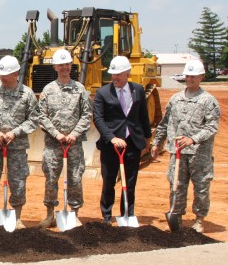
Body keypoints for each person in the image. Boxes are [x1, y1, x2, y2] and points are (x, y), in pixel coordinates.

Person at [151, 60, 220, 233]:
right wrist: (157, 142)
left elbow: (211, 127)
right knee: (176, 186)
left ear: (201, 77)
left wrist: (193, 139)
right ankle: (177, 217)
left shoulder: (208, 101)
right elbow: (165, 123)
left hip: (199, 154)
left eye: (193, 76)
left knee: (201, 187)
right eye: (187, 76)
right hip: (178, 153)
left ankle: (199, 219)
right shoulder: (176, 99)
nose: (189, 79)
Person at [0, 56, 40, 229]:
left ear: (16, 74)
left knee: (18, 181)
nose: (2, 78)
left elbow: (34, 119)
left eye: (6, 75)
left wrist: (15, 132)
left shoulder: (26, 94)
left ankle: (17, 218)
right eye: (0, 75)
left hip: (17, 147)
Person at [93, 55, 152, 224]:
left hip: (132, 142)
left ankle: (127, 214)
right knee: (109, 180)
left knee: (130, 182)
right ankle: (106, 215)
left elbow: (143, 115)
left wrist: (147, 137)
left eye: (119, 74)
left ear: (128, 73)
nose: (115, 77)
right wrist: (111, 138)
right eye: (113, 74)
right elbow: (98, 119)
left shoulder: (138, 90)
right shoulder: (102, 93)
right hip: (110, 145)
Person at [37, 49, 92, 228]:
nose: (64, 68)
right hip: (53, 145)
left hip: (73, 145)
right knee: (51, 179)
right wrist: (57, 134)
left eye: (67, 64)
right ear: (55, 67)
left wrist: (73, 134)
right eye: (60, 65)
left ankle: (74, 214)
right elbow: (42, 116)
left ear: (71, 66)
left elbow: (86, 114)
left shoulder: (80, 89)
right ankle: (50, 214)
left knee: (75, 179)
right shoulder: (48, 90)